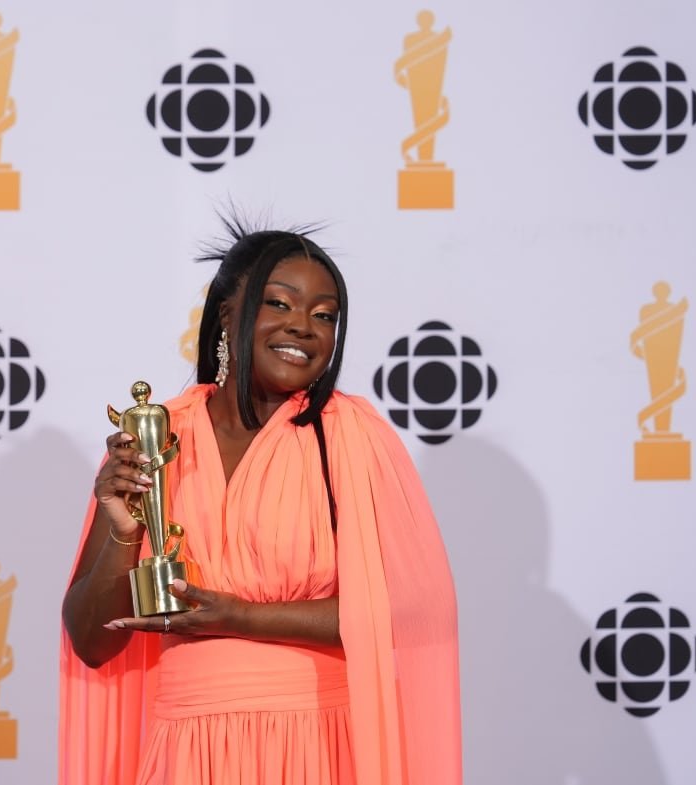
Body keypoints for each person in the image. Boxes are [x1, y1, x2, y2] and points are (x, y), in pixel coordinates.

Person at [60, 218, 461, 785]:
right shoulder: (154, 435)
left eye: (325, 316)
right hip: (188, 753)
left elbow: (405, 611)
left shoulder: (350, 434)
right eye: (280, 303)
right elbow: (91, 641)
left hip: (321, 746)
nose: (303, 327)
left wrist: (239, 616)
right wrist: (125, 532)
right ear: (228, 314)